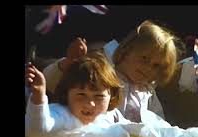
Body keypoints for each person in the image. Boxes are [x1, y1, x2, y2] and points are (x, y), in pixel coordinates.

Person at [43, 20, 185, 123]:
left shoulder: (147, 91)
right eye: (144, 59)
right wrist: (70, 62)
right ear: (127, 50)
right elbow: (51, 81)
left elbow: (158, 123)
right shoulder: (101, 71)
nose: (148, 68)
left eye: (156, 66)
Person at [25, 52, 127, 134]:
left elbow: (131, 130)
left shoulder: (112, 116)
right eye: (81, 95)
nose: (90, 103)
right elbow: (38, 128)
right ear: (66, 94)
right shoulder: (61, 114)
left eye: (99, 96)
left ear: (111, 96)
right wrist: (38, 95)